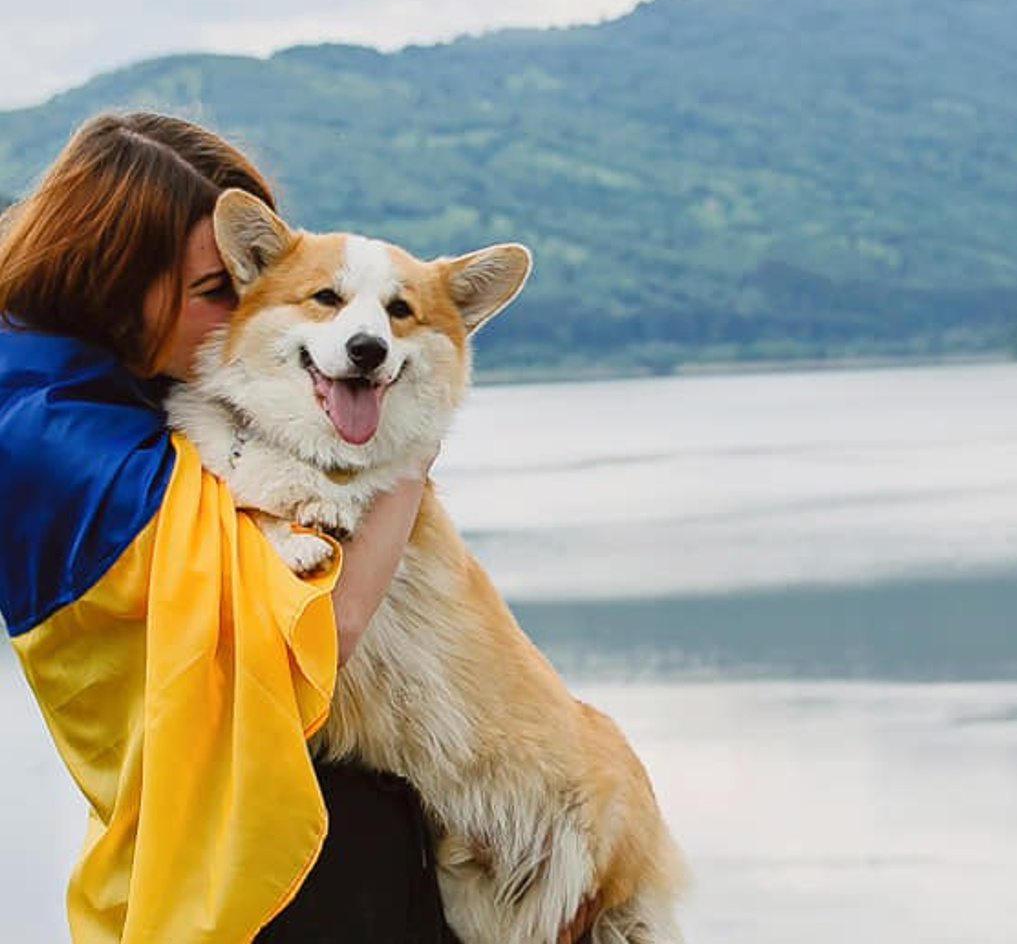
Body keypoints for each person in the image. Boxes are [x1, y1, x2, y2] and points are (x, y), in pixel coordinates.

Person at [0, 112, 596, 944]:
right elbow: (325, 626)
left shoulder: (95, 387)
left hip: (254, 841)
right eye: (221, 289)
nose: (242, 313)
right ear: (112, 278)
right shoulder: (53, 440)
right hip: (259, 875)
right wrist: (409, 452)